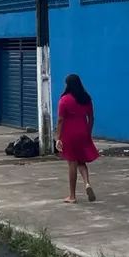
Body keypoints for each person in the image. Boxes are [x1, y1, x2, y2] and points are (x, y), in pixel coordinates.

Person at [54, 73, 99, 203]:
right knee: (81, 161)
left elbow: (61, 120)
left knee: (72, 163)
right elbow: (91, 117)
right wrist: (88, 132)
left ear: (67, 85)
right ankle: (87, 183)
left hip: (69, 134)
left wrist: (58, 138)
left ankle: (72, 196)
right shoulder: (86, 98)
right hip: (83, 132)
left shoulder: (64, 100)